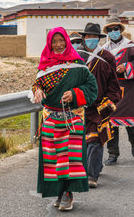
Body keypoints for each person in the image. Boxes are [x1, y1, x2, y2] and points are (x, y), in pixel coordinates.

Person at [31, 27, 98, 211]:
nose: (58, 45)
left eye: (62, 41)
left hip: (72, 120)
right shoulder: (45, 66)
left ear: (67, 42)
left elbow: (92, 89)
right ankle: (60, 192)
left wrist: (76, 94)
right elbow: (38, 85)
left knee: (70, 159)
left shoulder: (78, 65)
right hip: (51, 120)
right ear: (49, 44)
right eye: (54, 41)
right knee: (53, 160)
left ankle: (68, 193)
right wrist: (37, 90)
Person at [74, 23, 121, 188]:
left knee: (95, 140)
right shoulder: (76, 56)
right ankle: (94, 166)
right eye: (88, 37)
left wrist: (107, 104)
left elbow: (113, 85)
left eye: (94, 37)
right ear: (84, 38)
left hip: (98, 107)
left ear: (99, 38)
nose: (91, 40)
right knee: (81, 142)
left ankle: (92, 176)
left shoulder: (107, 57)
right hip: (78, 107)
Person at [102, 16, 134, 164]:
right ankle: (113, 153)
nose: (113, 32)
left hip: (127, 88)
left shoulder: (130, 47)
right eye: (110, 30)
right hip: (111, 90)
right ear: (107, 32)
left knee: (130, 120)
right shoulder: (104, 49)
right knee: (111, 121)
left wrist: (126, 67)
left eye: (116, 29)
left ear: (120, 30)